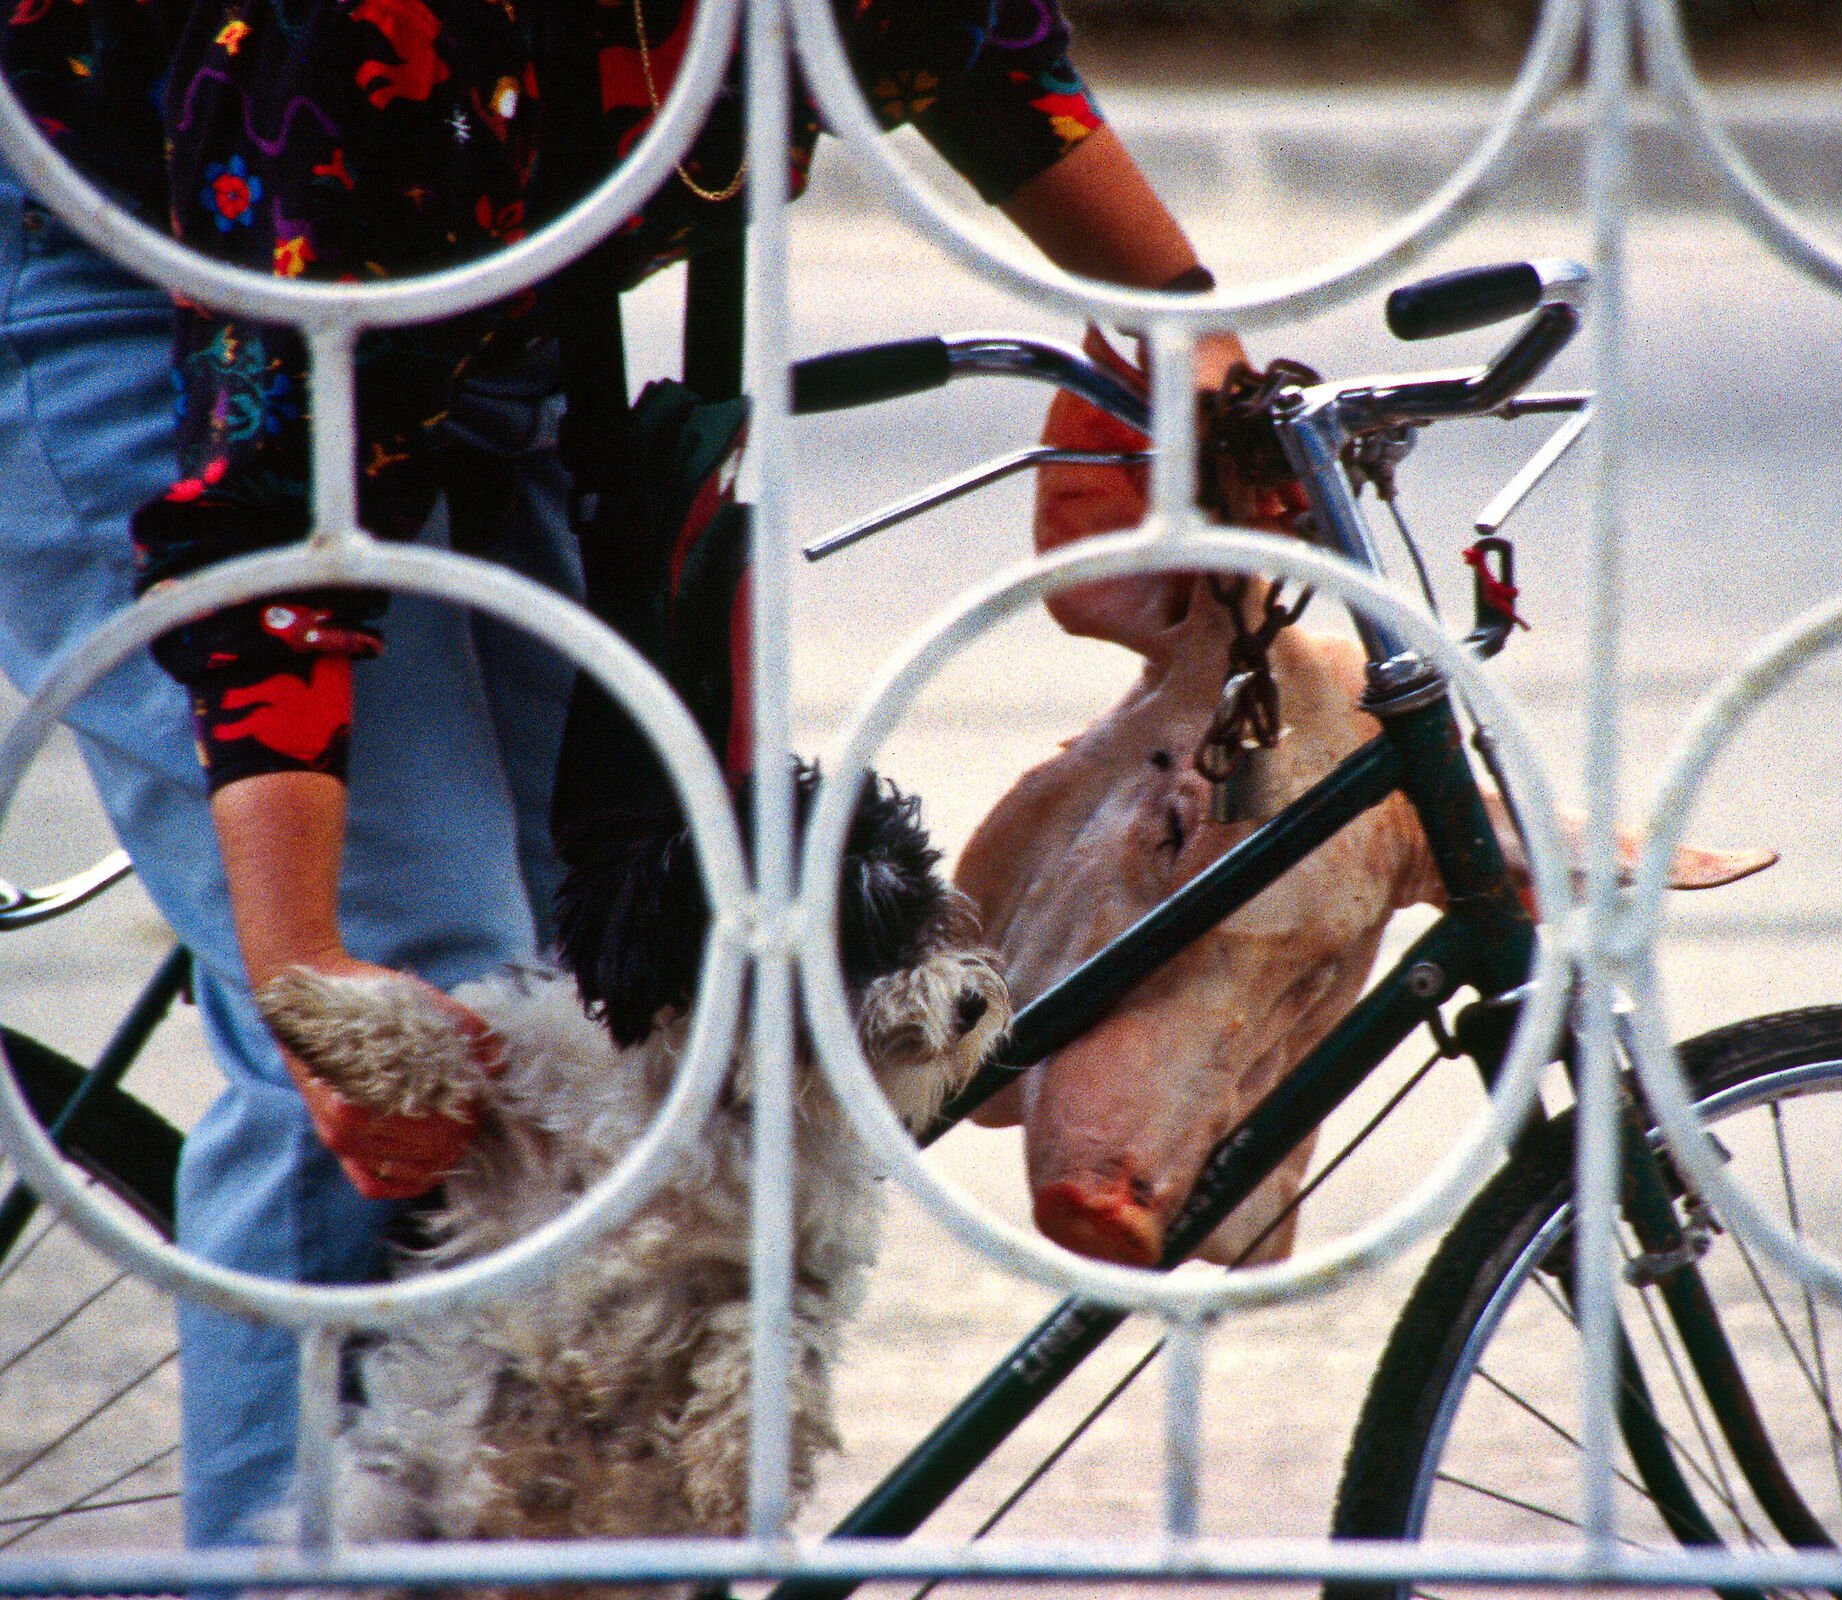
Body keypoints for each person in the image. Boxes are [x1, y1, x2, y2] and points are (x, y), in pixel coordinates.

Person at [0, 0, 1240, 1546]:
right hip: (146, 283)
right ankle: (292, 1567)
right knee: (414, 1007)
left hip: (473, 315)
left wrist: (1195, 335)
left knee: (577, 992)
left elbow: (979, 51)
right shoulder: (366, 32)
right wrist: (307, 973)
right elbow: (267, 555)